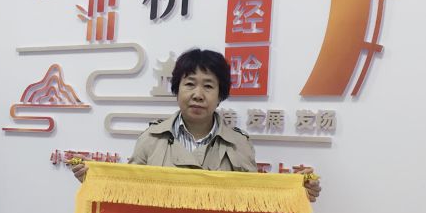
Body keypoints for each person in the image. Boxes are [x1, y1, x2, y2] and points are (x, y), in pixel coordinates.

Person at [70, 48, 321, 202]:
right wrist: (96, 180)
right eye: (189, 84)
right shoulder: (151, 139)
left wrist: (298, 192)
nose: (198, 94)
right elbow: (128, 193)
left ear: (220, 94)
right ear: (177, 89)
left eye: (208, 86)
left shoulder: (239, 144)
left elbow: (254, 201)